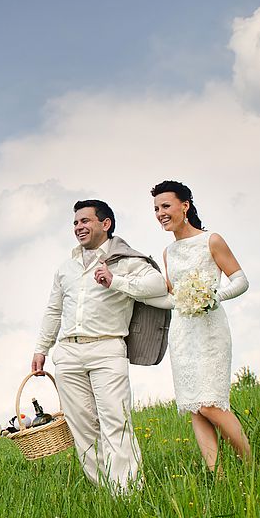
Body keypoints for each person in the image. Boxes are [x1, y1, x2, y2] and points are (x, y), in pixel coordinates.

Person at [31, 199, 168, 493]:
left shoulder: (126, 260)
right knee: (82, 428)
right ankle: (106, 490)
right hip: (67, 354)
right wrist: (42, 348)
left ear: (105, 224)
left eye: (85, 221)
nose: (79, 227)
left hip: (107, 349)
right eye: (76, 223)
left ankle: (128, 494)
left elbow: (158, 285)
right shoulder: (66, 268)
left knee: (116, 423)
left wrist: (115, 280)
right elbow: (54, 310)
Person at [149, 180, 252, 474]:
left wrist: (211, 298)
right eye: (156, 208)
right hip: (182, 334)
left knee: (211, 405)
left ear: (185, 206)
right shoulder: (169, 252)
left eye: (165, 206)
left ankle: (251, 466)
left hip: (210, 330)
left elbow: (241, 281)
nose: (160, 213)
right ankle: (216, 476)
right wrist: (127, 290)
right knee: (195, 407)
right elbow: (173, 299)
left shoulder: (211, 240)